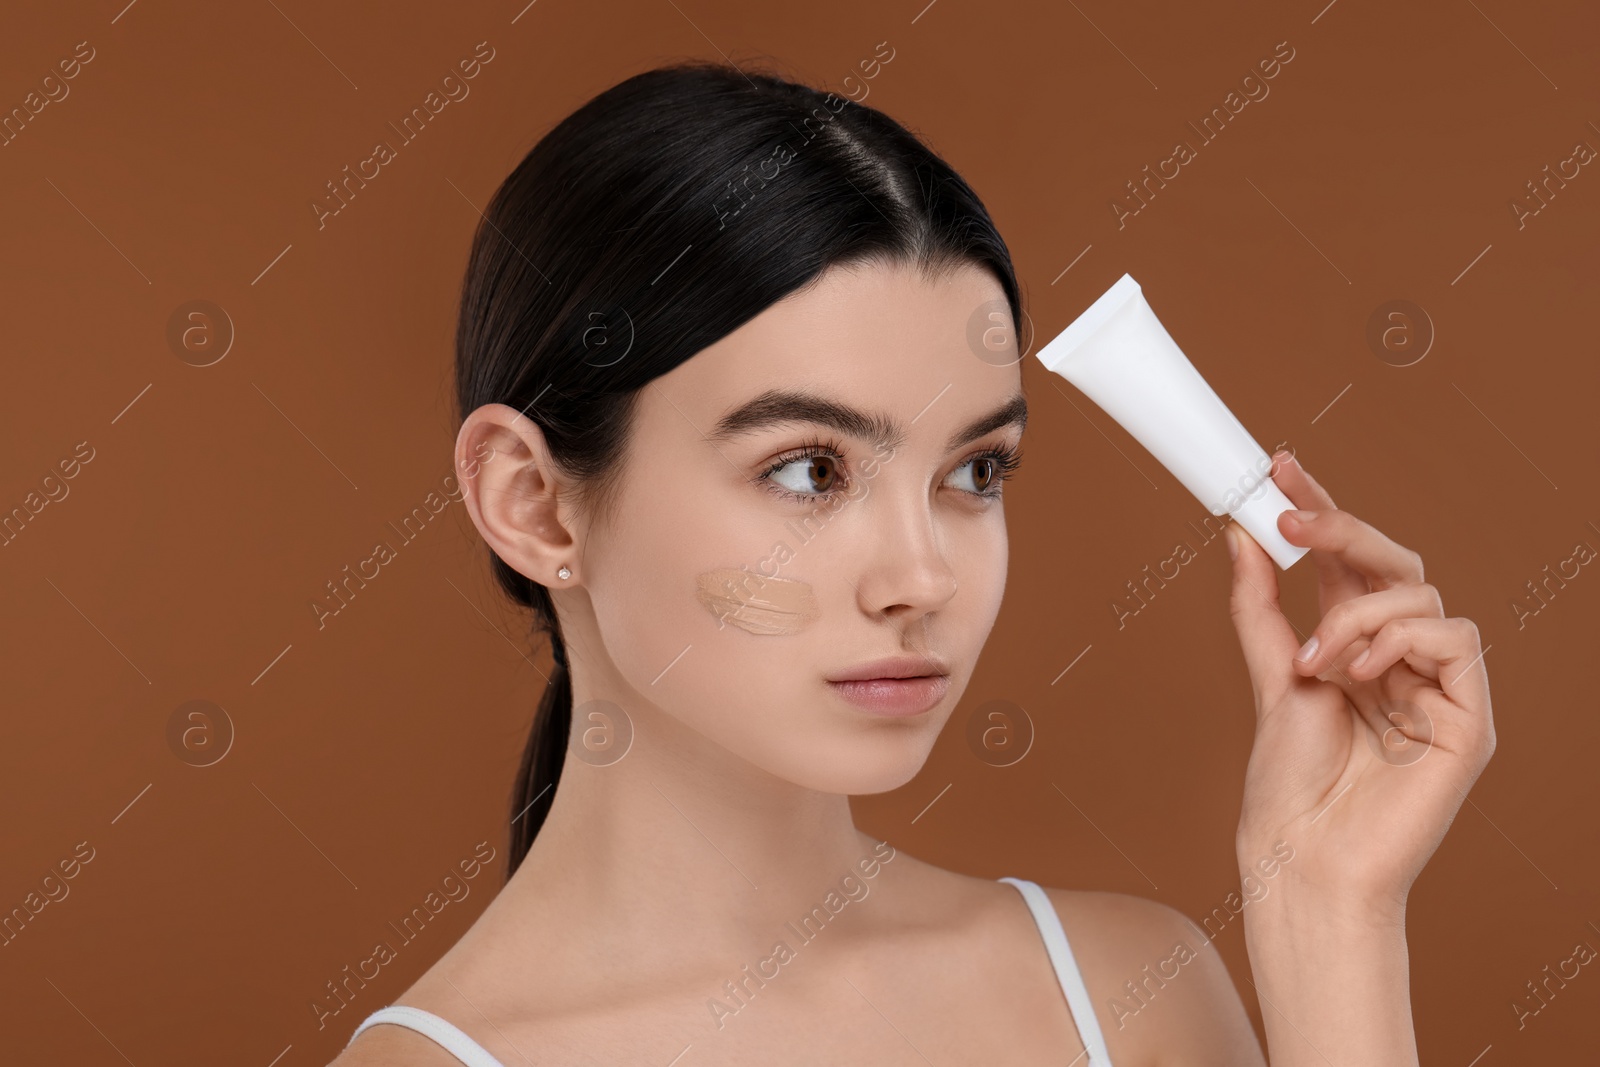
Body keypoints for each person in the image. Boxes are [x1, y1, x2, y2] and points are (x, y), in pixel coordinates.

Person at [330, 59, 1495, 1066]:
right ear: (533, 502)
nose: (922, 577)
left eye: (975, 472)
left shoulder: (1127, 995)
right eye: (807, 471)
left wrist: (1331, 912)